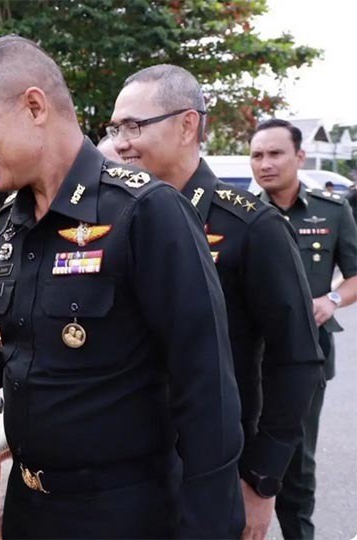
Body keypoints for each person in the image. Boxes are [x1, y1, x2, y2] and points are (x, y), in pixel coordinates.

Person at [0, 35, 245, 538]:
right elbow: (0, 347)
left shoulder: (147, 211)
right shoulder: (10, 225)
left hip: (124, 514)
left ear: (34, 107)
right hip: (30, 509)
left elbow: (207, 384)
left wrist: (210, 526)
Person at [109, 64, 324, 540]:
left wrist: (262, 481)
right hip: (126, 471)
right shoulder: (117, 218)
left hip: (214, 472)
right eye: (115, 128)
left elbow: (297, 360)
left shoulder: (251, 227)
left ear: (188, 125)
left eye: (133, 126)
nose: (121, 143)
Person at [250, 119, 357, 540]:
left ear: (300, 156)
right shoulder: (240, 211)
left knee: (296, 465)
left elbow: (355, 275)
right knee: (238, 457)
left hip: (307, 358)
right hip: (247, 357)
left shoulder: (332, 211)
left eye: (275, 153)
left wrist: (331, 301)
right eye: (257, 155)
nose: (265, 164)